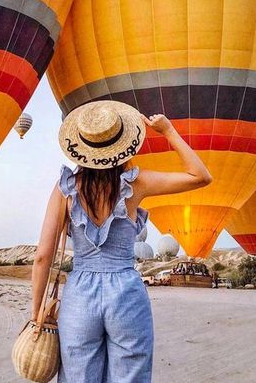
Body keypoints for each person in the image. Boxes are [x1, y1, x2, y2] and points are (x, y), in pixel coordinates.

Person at [31, 101, 212, 382]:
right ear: (122, 145)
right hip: (126, 292)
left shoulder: (64, 188)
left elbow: (43, 255)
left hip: (80, 293)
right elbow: (200, 176)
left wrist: (36, 315)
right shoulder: (135, 184)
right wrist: (169, 131)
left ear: (80, 147)